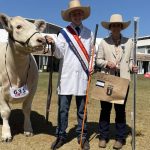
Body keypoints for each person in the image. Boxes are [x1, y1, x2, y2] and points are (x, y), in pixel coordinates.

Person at [46, 0, 94, 149]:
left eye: (79, 13)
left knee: (82, 109)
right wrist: (53, 44)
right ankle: (61, 135)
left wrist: (91, 65)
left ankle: (82, 135)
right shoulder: (64, 33)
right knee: (63, 109)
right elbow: (59, 54)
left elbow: (93, 53)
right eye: (74, 13)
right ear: (70, 16)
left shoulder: (89, 33)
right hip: (66, 77)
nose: (77, 15)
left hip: (83, 77)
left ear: (82, 15)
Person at [96, 14, 138, 149]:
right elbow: (98, 60)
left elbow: (131, 61)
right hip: (106, 78)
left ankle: (120, 138)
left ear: (121, 27)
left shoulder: (129, 42)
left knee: (120, 110)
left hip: (122, 80)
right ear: (110, 27)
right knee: (105, 109)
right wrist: (107, 63)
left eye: (118, 25)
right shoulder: (103, 42)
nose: (115, 27)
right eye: (113, 25)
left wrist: (133, 67)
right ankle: (103, 136)